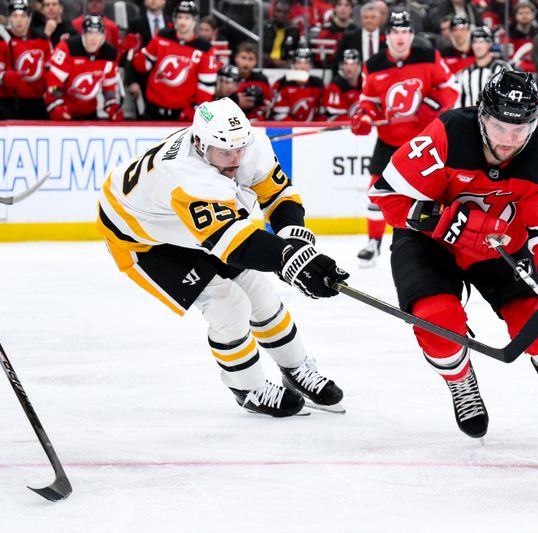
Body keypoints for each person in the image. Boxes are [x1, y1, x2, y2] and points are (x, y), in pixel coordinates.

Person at [368, 70, 538, 444]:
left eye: (520, 129)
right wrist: (447, 221)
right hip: (428, 243)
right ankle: (461, 381)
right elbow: (386, 196)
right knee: (436, 322)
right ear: (481, 116)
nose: (508, 140)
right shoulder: (447, 135)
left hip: (500, 248)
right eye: (498, 127)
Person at [96, 97, 350, 417]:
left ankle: (296, 369)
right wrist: (290, 259)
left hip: (184, 222)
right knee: (228, 305)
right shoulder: (187, 175)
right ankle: (248, 388)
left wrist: (293, 238)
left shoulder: (248, 142)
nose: (235, 159)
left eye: (239, 149)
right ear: (201, 144)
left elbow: (277, 193)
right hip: (144, 240)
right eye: (225, 152)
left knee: (259, 292)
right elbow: (236, 243)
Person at [350, 11, 459, 267]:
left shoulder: (429, 56)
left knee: (432, 191)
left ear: (411, 35)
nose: (401, 37)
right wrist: (365, 115)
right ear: (387, 36)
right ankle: (373, 242)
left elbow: (451, 86)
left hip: (423, 142)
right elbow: (369, 100)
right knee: (377, 190)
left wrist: (432, 104)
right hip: (389, 141)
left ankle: (435, 241)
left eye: (405, 31)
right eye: (396, 32)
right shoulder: (374, 65)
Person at [131, 0, 217, 121]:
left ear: (195, 20)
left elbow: (207, 87)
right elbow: (142, 66)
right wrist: (133, 51)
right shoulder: (162, 36)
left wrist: (192, 110)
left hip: (182, 113)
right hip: (152, 108)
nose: (183, 21)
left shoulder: (205, 49)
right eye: (180, 17)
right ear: (174, 19)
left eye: (187, 17)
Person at [45, 16, 122, 121]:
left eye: (98, 34)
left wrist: (112, 105)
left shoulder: (109, 53)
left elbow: (109, 87)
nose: (94, 39)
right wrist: (56, 105)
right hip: (65, 111)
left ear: (103, 35)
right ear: (83, 34)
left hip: (89, 112)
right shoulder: (67, 47)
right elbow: (53, 82)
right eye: (90, 34)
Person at [0, 0, 51, 120]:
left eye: (23, 16)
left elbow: (50, 70)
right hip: (8, 102)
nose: (19, 20)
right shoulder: (2, 41)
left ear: (29, 18)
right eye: (15, 16)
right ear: (9, 18)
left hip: (36, 101)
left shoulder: (41, 40)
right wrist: (4, 77)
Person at [454, 25, 506, 108]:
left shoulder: (502, 69)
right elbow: (457, 103)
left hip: (494, 119)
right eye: (475, 42)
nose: (478, 46)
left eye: (482, 42)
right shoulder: (464, 73)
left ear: (490, 44)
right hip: (470, 119)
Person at [270, 48, 324, 121]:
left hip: (313, 128)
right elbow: (279, 115)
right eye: (299, 62)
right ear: (293, 64)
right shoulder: (282, 83)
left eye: (306, 62)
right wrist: (297, 128)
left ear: (311, 65)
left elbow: (321, 113)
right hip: (290, 129)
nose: (302, 66)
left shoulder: (317, 83)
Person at [232, 41, 272, 120]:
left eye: (251, 59)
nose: (246, 63)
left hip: (256, 121)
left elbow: (269, 102)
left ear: (255, 62)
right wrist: (235, 100)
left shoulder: (261, 79)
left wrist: (267, 107)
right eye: (243, 58)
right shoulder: (227, 77)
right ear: (236, 58)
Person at [323, 48, 362, 121]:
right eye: (346, 64)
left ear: (359, 65)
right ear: (341, 65)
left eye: (353, 64)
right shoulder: (335, 86)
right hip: (343, 130)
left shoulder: (365, 83)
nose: (349, 68)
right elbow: (334, 118)